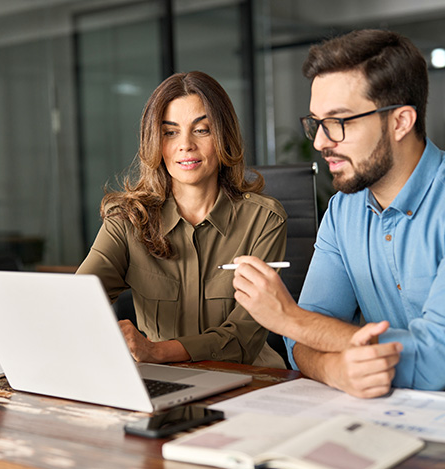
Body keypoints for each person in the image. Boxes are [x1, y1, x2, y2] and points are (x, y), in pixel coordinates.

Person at [232, 29, 445, 398]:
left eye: (339, 122)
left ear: (400, 122)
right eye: (316, 122)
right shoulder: (344, 209)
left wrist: (289, 318)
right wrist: (334, 369)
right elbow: (301, 345)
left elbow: (436, 359)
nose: (319, 142)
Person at [77, 71, 287, 368]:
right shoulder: (126, 220)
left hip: (249, 380)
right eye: (170, 132)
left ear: (223, 136)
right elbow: (79, 299)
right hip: (162, 382)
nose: (185, 145)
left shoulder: (264, 219)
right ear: (155, 141)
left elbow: (244, 335)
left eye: (201, 130)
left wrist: (157, 352)